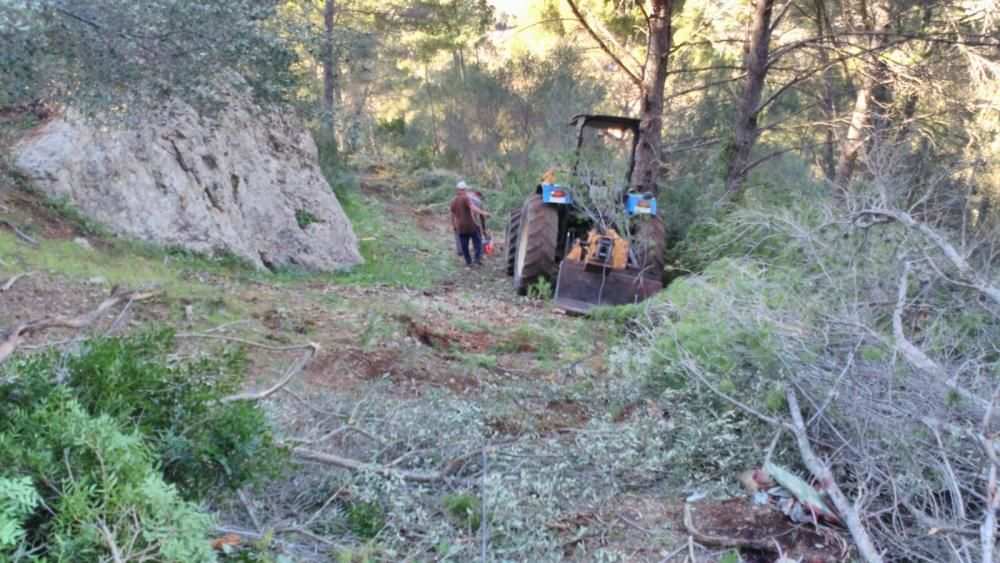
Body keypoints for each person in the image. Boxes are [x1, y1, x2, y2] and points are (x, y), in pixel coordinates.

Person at [450, 181, 491, 267]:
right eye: (465, 190)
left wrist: (454, 226)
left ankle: (468, 262)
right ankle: (476, 258)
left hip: (461, 227)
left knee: (464, 246)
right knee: (478, 242)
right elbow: (473, 207)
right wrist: (484, 213)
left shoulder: (453, 201)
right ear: (464, 190)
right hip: (471, 225)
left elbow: (452, 215)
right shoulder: (466, 198)